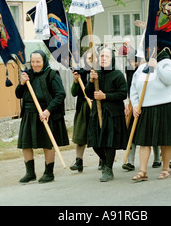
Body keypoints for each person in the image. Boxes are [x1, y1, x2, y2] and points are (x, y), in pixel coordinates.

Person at [129, 48, 171, 181]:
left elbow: (168, 80)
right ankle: (143, 171)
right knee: (144, 142)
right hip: (146, 107)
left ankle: (166, 169)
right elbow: (134, 88)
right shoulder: (142, 67)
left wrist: (157, 67)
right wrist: (135, 105)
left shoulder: (167, 63)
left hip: (165, 105)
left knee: (165, 140)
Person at [15, 50, 69, 183]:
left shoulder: (51, 75)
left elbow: (60, 94)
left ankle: (49, 173)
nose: (35, 65)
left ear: (43, 61)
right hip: (29, 113)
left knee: (47, 143)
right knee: (25, 144)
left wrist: (48, 110)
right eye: (32, 62)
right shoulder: (27, 75)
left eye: (38, 62)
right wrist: (21, 83)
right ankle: (30, 173)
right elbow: (18, 94)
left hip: (45, 113)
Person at [85, 47, 129, 182]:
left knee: (109, 142)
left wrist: (105, 96)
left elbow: (122, 93)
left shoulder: (118, 75)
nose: (103, 58)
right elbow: (87, 93)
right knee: (95, 142)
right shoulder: (95, 74)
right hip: (96, 112)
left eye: (107, 56)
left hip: (112, 113)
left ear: (112, 59)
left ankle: (108, 169)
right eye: (102, 56)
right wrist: (91, 82)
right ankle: (104, 160)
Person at [122, 51, 161, 171]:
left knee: (153, 132)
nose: (133, 64)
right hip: (136, 106)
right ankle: (130, 162)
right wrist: (131, 105)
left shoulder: (150, 70)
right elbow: (131, 91)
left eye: (135, 61)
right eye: (130, 62)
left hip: (150, 105)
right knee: (132, 133)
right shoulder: (131, 73)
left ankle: (157, 159)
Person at [69, 50, 95, 172]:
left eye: (93, 58)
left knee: (98, 134)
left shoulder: (100, 73)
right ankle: (79, 161)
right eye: (89, 58)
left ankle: (103, 160)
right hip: (83, 107)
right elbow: (74, 93)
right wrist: (75, 81)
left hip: (96, 106)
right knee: (80, 136)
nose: (91, 61)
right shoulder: (81, 74)